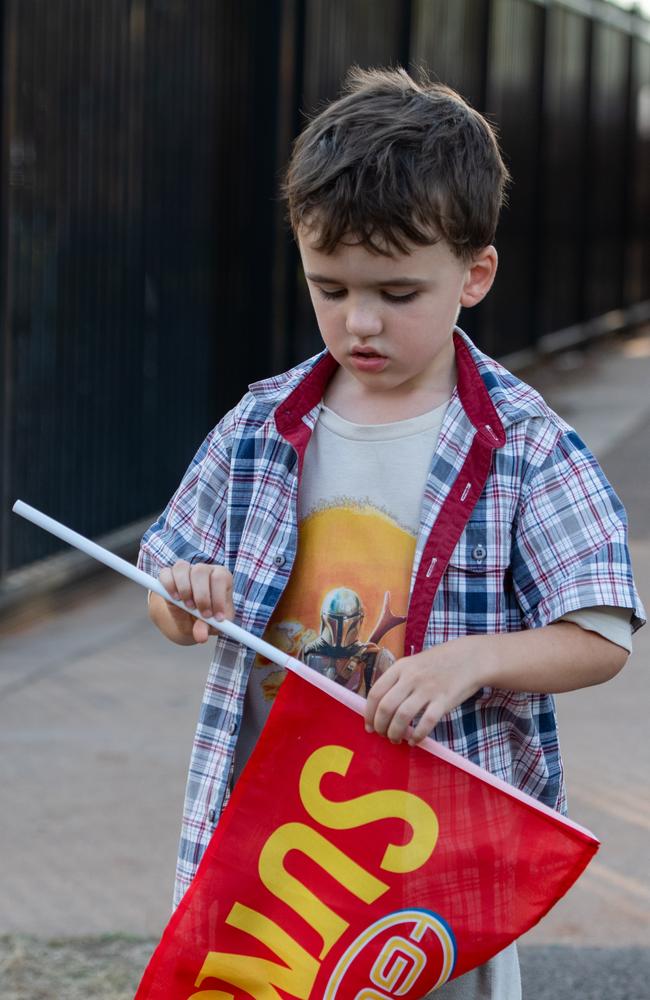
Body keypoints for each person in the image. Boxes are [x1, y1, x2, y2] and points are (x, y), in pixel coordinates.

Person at [138, 66, 644, 999]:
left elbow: (601, 634)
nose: (358, 322)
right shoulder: (261, 424)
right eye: (329, 288)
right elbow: (172, 588)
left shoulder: (524, 442)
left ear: (475, 274)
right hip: (277, 848)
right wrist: (187, 597)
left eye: (398, 293)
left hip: (428, 863)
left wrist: (470, 661)